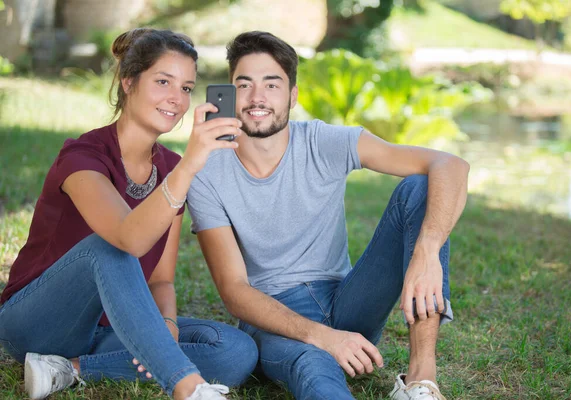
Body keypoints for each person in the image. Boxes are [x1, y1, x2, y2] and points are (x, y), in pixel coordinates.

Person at [186, 31, 470, 400]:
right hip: (274, 316)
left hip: (346, 298)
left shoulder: (323, 141)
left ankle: (419, 380)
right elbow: (234, 291)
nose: (257, 98)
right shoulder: (206, 171)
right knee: (314, 365)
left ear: (293, 95)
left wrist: (427, 251)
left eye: (272, 85)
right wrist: (323, 337)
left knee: (419, 187)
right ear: (229, 93)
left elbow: (450, 165)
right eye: (245, 85)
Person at [0, 28, 258, 400]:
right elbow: (129, 238)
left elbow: (161, 281)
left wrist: (166, 323)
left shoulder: (169, 167)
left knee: (234, 349)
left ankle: (67, 369)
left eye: (186, 88)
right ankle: (189, 388)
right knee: (108, 249)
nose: (176, 98)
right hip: (37, 323)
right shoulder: (83, 156)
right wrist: (188, 168)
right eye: (163, 81)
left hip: (110, 329)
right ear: (128, 82)